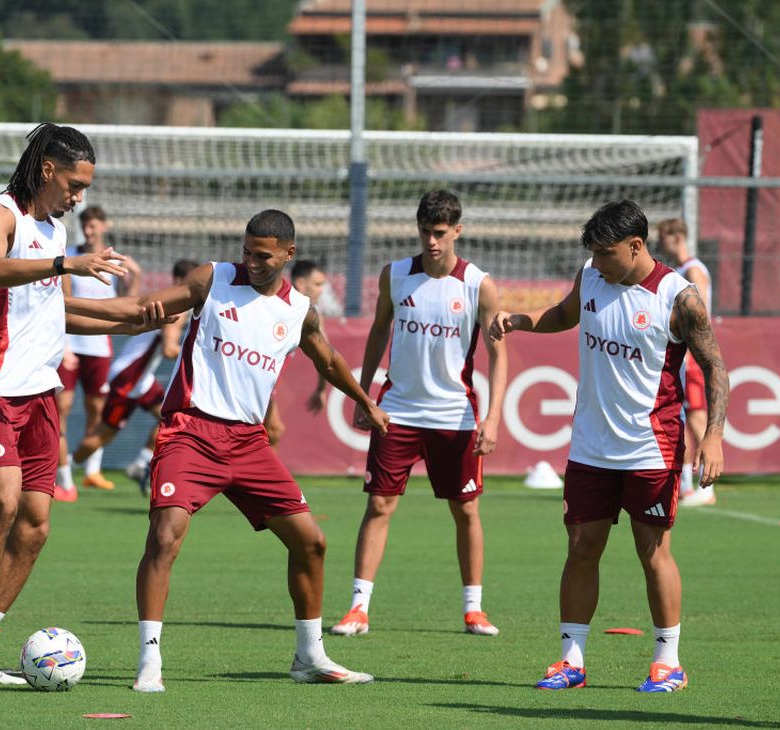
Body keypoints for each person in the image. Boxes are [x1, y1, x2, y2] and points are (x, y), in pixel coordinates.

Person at [67, 209, 389, 691]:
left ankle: (310, 655)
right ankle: (150, 661)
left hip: (248, 443)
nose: (252, 262)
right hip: (189, 433)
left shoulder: (297, 310)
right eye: (247, 252)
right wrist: (55, 311)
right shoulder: (213, 279)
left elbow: (328, 359)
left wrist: (366, 401)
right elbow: (140, 311)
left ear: (288, 254)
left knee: (312, 542)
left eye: (263, 256)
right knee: (164, 534)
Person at [0, 122, 152, 683]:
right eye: (75, 184)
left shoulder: (54, 232)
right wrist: (68, 266)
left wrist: (128, 320)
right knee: (4, 502)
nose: (79, 197)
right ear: (47, 170)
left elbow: (55, 311)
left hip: (39, 389)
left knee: (35, 526)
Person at [490, 199, 728, 693]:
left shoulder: (678, 297)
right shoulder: (592, 275)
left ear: (636, 246)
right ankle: (571, 661)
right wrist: (520, 320)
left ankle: (668, 663)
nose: (597, 262)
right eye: (593, 254)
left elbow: (716, 368)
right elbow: (564, 314)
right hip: (589, 446)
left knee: (653, 551)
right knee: (581, 548)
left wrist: (714, 436)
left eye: (606, 253)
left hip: (650, 445)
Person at [330, 190, 508, 638]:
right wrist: (362, 395)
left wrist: (494, 418)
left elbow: (498, 354)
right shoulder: (395, 275)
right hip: (398, 410)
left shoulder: (478, 284)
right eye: (425, 232)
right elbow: (376, 333)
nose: (432, 241)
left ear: (457, 232)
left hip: (455, 416)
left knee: (465, 509)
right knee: (379, 504)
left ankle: (473, 609)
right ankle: (358, 608)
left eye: (440, 233)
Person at [71, 259, 199, 494]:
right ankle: (64, 468)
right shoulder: (176, 308)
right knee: (103, 436)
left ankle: (141, 464)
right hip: (128, 379)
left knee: (176, 416)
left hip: (142, 379)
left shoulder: (166, 299)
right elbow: (169, 349)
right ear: (182, 282)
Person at [55, 205, 143, 500]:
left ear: (105, 226)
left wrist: (137, 276)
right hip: (70, 343)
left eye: (94, 225)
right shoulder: (71, 255)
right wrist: (63, 343)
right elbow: (61, 299)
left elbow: (127, 305)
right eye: (86, 225)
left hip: (99, 345)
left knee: (97, 411)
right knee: (60, 409)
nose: (90, 230)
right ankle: (64, 478)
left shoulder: (116, 260)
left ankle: (92, 471)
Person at [656, 218, 715, 507]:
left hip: (690, 355)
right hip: (681, 357)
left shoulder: (693, 269)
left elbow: (698, 314)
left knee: (696, 415)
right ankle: (687, 484)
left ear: (676, 237)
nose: (659, 243)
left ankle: (707, 480)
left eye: (663, 237)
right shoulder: (677, 271)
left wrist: (692, 350)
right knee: (681, 416)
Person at [262, 259, 331, 445]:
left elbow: (326, 356)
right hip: (257, 376)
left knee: (273, 430)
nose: (321, 290)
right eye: (317, 284)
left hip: (268, 381)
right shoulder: (277, 306)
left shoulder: (311, 314)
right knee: (273, 429)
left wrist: (320, 389)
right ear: (300, 283)